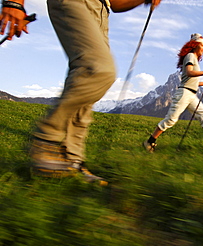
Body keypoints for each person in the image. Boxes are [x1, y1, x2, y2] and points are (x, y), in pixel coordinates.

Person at [1, 0, 161, 184]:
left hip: (101, 10)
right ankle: (46, 141)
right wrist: (14, 3)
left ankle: (71, 161)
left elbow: (116, 4)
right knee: (99, 69)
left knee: (87, 88)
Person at [143, 33, 203, 152]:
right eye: (202, 46)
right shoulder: (190, 56)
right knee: (171, 120)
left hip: (191, 94)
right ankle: (149, 142)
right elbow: (190, 72)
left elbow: (194, 82)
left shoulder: (194, 59)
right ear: (195, 45)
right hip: (184, 93)